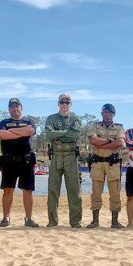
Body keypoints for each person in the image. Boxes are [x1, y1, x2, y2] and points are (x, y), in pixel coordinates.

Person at [0, 98, 40, 227]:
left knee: (28, 190)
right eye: (12, 106)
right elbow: (1, 135)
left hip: (26, 160)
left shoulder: (28, 121)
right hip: (9, 160)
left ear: (21, 108)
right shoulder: (4, 122)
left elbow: (30, 131)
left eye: (17, 106)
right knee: (8, 190)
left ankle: (29, 218)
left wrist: (10, 132)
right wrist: (21, 133)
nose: (15, 108)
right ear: (9, 109)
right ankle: (6, 218)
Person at [45, 94, 83, 228]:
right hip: (56, 156)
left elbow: (76, 134)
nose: (64, 104)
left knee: (74, 190)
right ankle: (52, 220)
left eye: (67, 102)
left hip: (71, 156)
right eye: (62, 102)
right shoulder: (51, 118)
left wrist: (59, 134)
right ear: (58, 103)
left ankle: (75, 221)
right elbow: (49, 134)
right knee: (53, 190)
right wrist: (67, 132)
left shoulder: (76, 118)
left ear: (71, 104)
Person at [87, 103, 125, 229]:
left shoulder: (119, 127)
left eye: (110, 113)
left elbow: (120, 142)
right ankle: (95, 221)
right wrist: (110, 142)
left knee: (115, 193)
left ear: (114, 114)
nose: (107, 114)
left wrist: (101, 143)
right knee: (96, 193)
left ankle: (115, 221)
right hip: (97, 163)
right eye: (105, 112)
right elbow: (92, 141)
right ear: (102, 113)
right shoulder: (95, 126)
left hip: (112, 164)